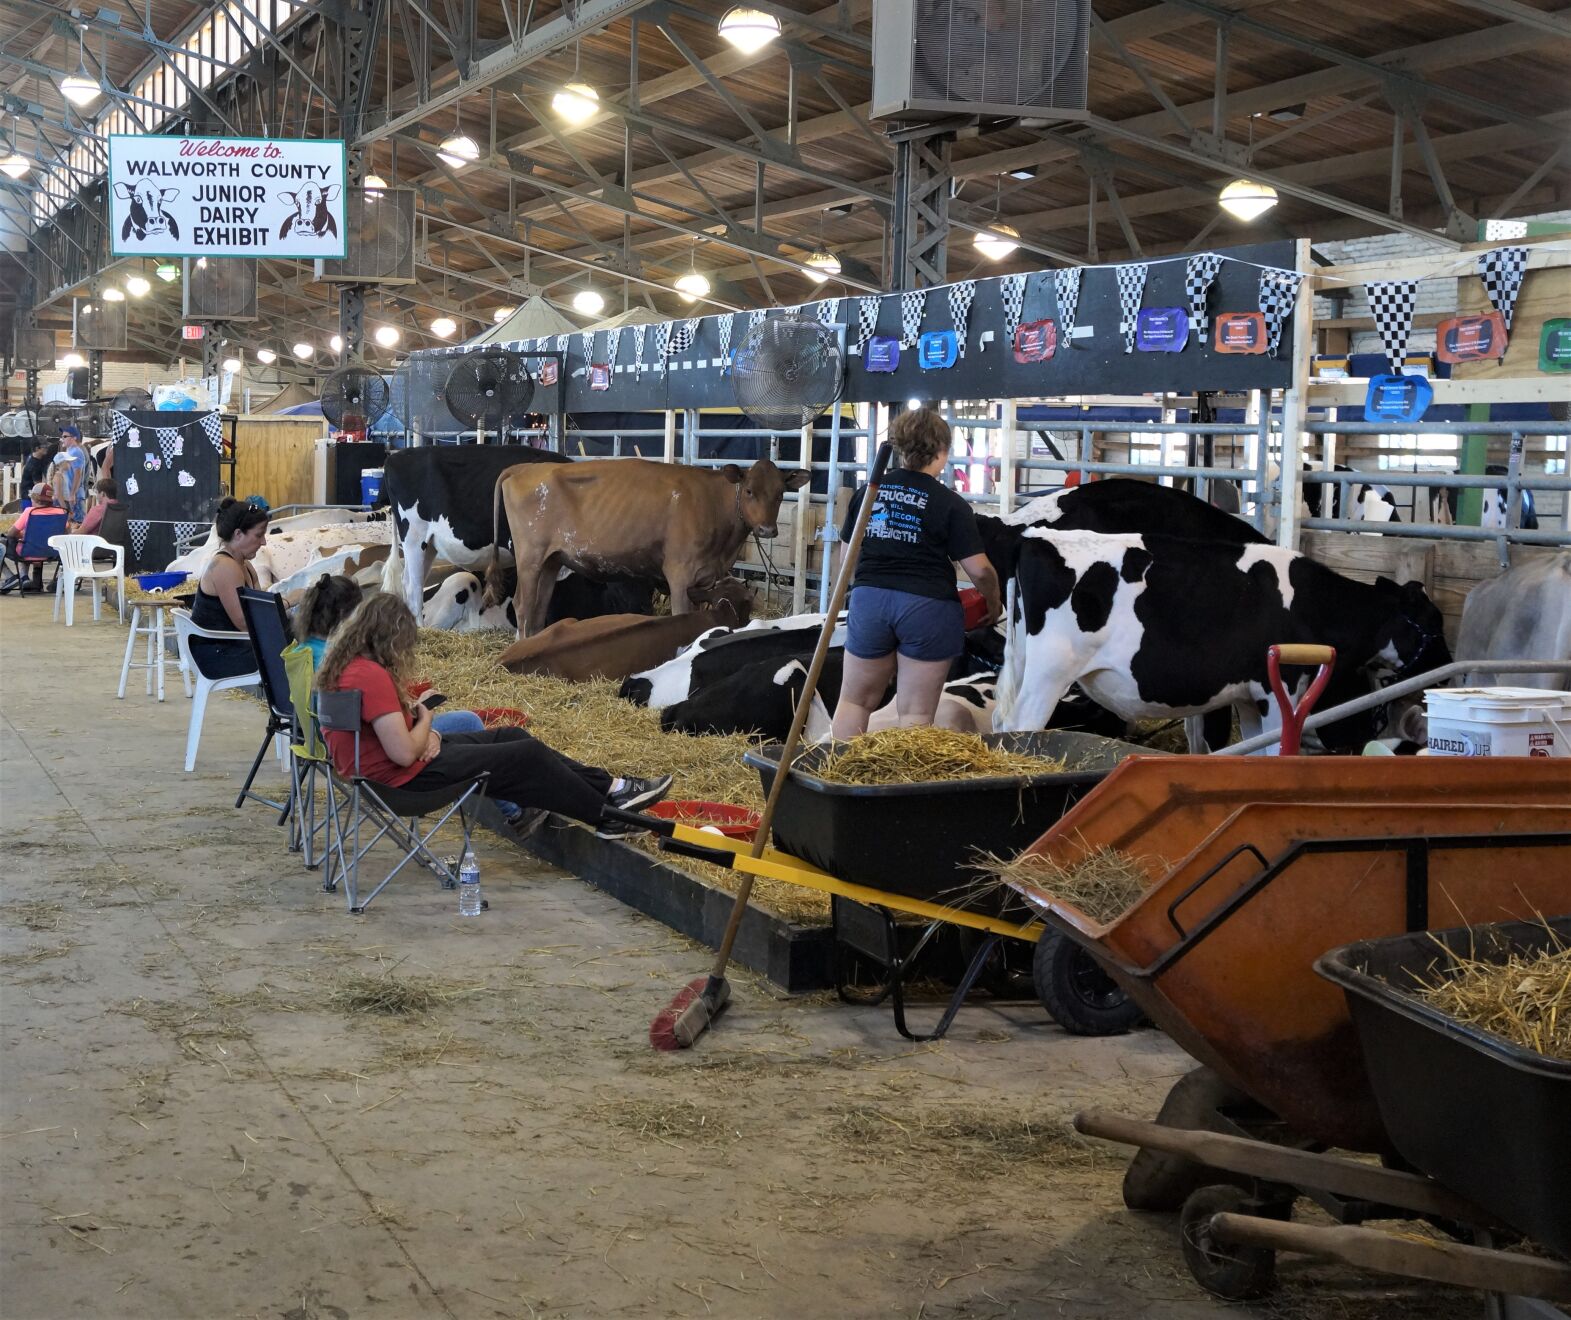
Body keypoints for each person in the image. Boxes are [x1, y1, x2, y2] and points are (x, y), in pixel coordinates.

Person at [316, 592, 671, 838]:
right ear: (391, 638)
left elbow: (394, 738)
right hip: (401, 782)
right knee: (524, 755)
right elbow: (405, 752)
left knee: (511, 737)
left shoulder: (346, 667)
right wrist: (425, 722)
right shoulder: (370, 676)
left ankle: (615, 789)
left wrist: (429, 735)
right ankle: (606, 816)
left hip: (385, 774)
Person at [289, 573, 525, 823]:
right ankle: (516, 813)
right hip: (385, 772)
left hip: (343, 755)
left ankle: (514, 810)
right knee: (471, 725)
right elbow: (402, 752)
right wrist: (427, 723)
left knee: (469, 733)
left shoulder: (306, 652)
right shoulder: (356, 668)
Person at [831, 408, 1002, 740]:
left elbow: (846, 556)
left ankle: (835, 774)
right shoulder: (950, 504)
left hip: (871, 599)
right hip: (928, 608)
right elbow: (980, 570)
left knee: (854, 701)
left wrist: (855, 597)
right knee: (916, 713)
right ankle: (898, 785)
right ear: (941, 452)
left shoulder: (870, 491)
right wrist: (993, 601)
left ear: (900, 447)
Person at [188, 496, 269, 679]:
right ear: (238, 534)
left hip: (231, 646)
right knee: (295, 652)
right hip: (217, 654)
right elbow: (243, 623)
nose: (263, 542)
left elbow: (260, 610)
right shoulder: (225, 566)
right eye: (259, 535)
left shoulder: (246, 566)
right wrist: (286, 604)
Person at [3, 484, 68, 592]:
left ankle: (23, 578)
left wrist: (22, 535)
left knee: (17, 542)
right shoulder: (61, 512)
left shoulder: (29, 512)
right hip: (52, 553)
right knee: (36, 543)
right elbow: (65, 533)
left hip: (28, 552)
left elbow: (11, 533)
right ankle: (36, 583)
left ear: (35, 498)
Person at [54, 425, 89, 525]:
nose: (62, 439)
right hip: (69, 495)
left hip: (74, 496)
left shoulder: (76, 451)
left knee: (78, 523)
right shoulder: (70, 451)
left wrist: (73, 493)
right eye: (62, 437)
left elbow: (78, 474)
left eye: (65, 436)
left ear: (74, 438)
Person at [19, 441, 53, 507]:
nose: (47, 449)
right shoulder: (34, 465)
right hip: (30, 498)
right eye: (45, 447)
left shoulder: (36, 459)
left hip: (30, 496)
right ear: (37, 448)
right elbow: (39, 486)